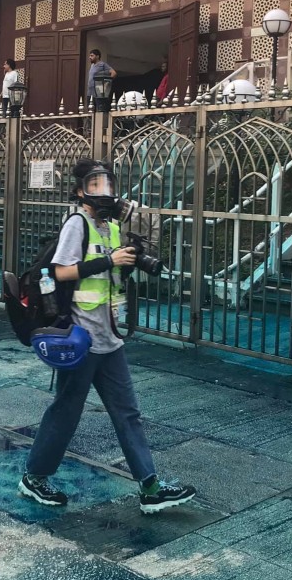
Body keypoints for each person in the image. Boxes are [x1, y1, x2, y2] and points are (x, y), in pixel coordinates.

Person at [18, 159, 197, 514]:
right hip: (81, 339)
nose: (104, 191)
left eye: (107, 184)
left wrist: (128, 262)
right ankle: (34, 477)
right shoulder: (77, 224)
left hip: (110, 338)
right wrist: (109, 261)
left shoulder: (111, 228)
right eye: (95, 185)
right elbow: (61, 271)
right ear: (80, 190)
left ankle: (150, 487)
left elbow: (114, 275)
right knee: (66, 411)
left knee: (127, 412)